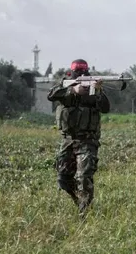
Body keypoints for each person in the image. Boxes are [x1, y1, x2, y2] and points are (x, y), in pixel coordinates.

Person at [47, 58, 111, 216]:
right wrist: (73, 90)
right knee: (63, 179)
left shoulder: (95, 89)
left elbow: (106, 108)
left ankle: (85, 212)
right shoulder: (65, 85)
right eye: (78, 72)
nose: (82, 74)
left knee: (84, 177)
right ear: (72, 73)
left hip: (88, 140)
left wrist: (97, 91)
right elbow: (51, 94)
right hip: (68, 140)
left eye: (84, 72)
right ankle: (79, 201)